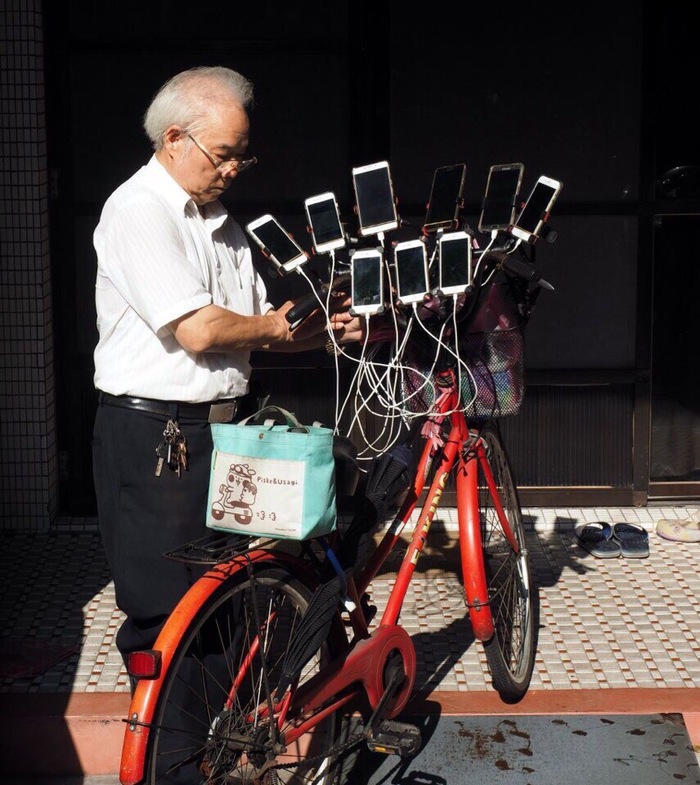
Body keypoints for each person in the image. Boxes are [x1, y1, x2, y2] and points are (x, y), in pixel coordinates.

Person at [91, 65, 363, 671]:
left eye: (243, 159)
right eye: (223, 156)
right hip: (159, 439)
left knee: (234, 600)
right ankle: (175, 761)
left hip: (228, 430)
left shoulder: (222, 224)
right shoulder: (138, 211)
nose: (233, 170)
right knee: (171, 616)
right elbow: (202, 330)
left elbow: (258, 326)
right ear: (174, 139)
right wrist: (274, 327)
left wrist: (324, 331)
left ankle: (227, 751)